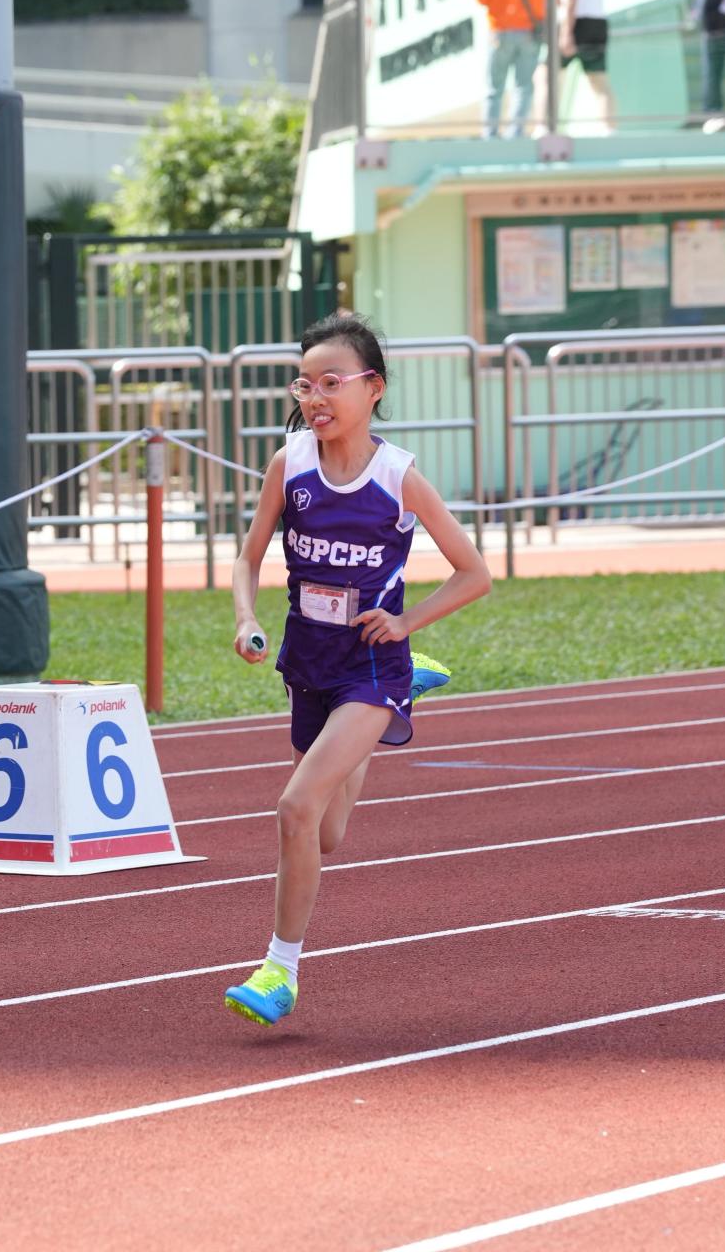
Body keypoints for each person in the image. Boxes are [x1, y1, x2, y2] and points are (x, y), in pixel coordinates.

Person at [224, 312, 492, 1027]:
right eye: (304, 384)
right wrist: (246, 618)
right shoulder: (290, 465)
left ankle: (279, 971)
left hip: (372, 666)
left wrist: (405, 622)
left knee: (294, 809)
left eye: (331, 383)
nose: (315, 398)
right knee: (325, 834)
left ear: (373, 387)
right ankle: (378, 725)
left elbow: (474, 573)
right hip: (309, 662)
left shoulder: (398, 476)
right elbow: (249, 556)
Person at [472, 0, 547, 138]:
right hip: (529, 32)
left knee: (494, 87)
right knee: (523, 86)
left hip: (500, 30)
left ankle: (490, 135)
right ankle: (515, 133)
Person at [559, 0, 616, 133]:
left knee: (546, 78)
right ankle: (608, 130)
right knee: (599, 82)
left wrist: (566, 32)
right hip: (597, 22)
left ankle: (544, 128)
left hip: (575, 22)